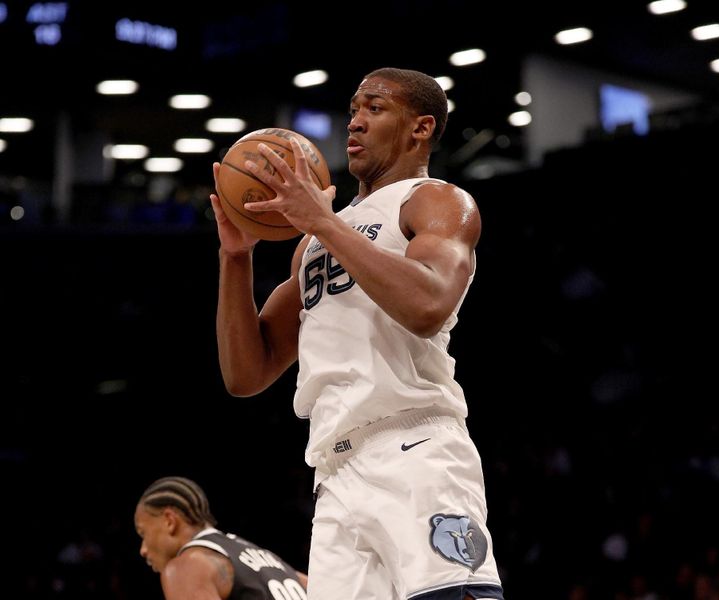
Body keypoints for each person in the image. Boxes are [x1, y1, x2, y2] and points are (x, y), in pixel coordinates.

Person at [209, 67, 504, 600]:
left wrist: (323, 224)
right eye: (352, 110)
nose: (355, 123)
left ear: (420, 128)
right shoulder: (317, 242)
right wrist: (236, 258)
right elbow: (246, 374)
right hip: (335, 473)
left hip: (415, 447)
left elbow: (428, 304)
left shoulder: (435, 201)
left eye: (375, 108)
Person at [133, 476, 308, 600]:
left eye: (143, 533)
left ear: (169, 521)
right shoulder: (274, 563)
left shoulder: (186, 567)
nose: (143, 550)